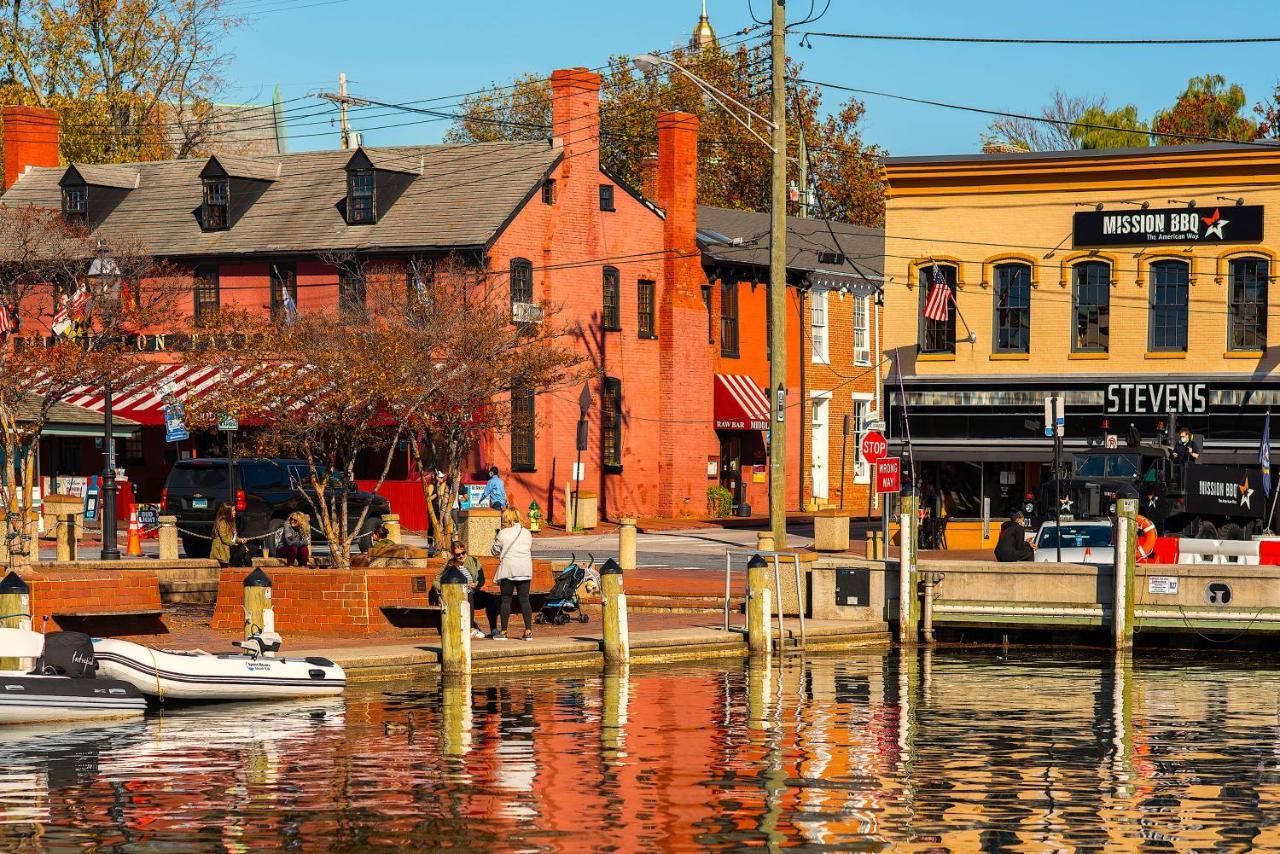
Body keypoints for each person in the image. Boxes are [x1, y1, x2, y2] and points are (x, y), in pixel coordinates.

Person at [491, 506, 533, 641]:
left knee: (506, 600)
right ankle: (528, 631)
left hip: (509, 569)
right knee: (525, 600)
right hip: (525, 569)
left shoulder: (503, 533)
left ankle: (503, 632)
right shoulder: (526, 532)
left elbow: (494, 551)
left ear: (507, 518)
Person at [433, 539, 488, 639]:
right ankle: (470, 628)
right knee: (468, 596)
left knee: (491, 599)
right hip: (456, 594)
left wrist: (476, 584)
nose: (461, 556)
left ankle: (494, 629)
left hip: (473, 590)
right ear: (454, 555)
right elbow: (436, 581)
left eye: (463, 553)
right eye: (458, 555)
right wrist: (445, 589)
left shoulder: (473, 561)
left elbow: (482, 579)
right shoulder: (449, 565)